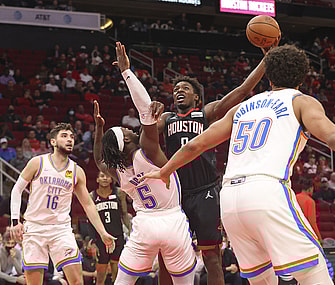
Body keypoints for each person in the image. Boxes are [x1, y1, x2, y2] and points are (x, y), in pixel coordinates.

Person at [142, 44, 335, 285]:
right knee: (315, 272)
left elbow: (196, 145)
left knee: (262, 279)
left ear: (269, 78)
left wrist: (165, 171)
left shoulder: (243, 108)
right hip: (266, 190)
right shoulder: (301, 101)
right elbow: (334, 137)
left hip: (229, 200)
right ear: (302, 77)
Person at [116, 40, 272, 285]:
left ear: (196, 97)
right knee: (168, 259)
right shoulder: (165, 118)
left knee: (212, 258)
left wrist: (266, 60)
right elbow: (142, 133)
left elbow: (241, 91)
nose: (179, 90)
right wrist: (144, 101)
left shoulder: (206, 113)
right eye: (176, 88)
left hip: (205, 191)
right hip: (174, 197)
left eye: (185, 88)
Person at [93, 69, 196, 285]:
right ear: (127, 140)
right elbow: (145, 108)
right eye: (125, 130)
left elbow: (98, 160)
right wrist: (126, 72)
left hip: (144, 225)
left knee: (123, 280)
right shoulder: (147, 151)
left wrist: (99, 129)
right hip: (172, 221)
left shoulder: (118, 172)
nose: (130, 129)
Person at [9, 123, 116, 285]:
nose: (70, 140)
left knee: (76, 282)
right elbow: (16, 190)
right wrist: (15, 221)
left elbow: (88, 204)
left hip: (61, 230)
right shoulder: (37, 163)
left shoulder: (76, 171)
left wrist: (102, 232)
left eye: (72, 137)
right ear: (53, 141)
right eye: (64, 136)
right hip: (35, 228)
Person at [89, 171, 131, 285]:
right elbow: (90, 220)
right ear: (97, 179)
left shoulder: (119, 193)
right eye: (102, 176)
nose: (105, 178)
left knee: (116, 270)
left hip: (117, 236)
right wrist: (92, 240)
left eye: (107, 176)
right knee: (101, 272)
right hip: (100, 238)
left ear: (111, 179)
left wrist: (131, 232)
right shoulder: (91, 196)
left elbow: (124, 214)